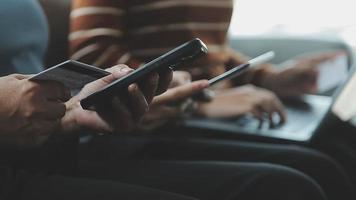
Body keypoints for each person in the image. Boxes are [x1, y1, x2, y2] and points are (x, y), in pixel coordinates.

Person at [0, 0, 331, 200]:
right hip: (31, 159)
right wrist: (202, 102)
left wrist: (266, 77)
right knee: (289, 184)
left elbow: (214, 52)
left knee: (319, 157)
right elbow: (93, 50)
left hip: (55, 141)